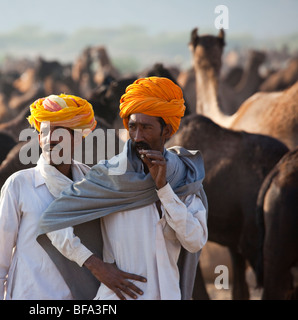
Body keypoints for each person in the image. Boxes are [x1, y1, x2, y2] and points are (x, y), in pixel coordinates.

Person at [37, 77, 208, 300]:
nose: (137, 137)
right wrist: (96, 266)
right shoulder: (108, 176)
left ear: (166, 131)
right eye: (133, 127)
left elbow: (194, 242)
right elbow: (51, 220)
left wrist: (163, 189)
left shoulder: (183, 178)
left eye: (146, 128)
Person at [0, 93, 121, 299]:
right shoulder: (19, 185)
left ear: (77, 139)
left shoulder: (92, 185)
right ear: (39, 138)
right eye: (45, 132)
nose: (51, 138)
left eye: (60, 132)